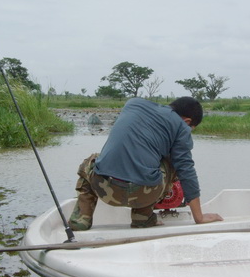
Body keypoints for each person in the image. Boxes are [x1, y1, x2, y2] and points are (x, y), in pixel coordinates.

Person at [68, 96, 223, 230]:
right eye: (191, 128)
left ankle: (81, 220)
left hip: (104, 188)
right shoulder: (181, 127)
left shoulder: (133, 104)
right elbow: (186, 170)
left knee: (91, 161)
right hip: (145, 193)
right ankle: (142, 219)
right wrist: (199, 217)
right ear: (187, 121)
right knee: (171, 164)